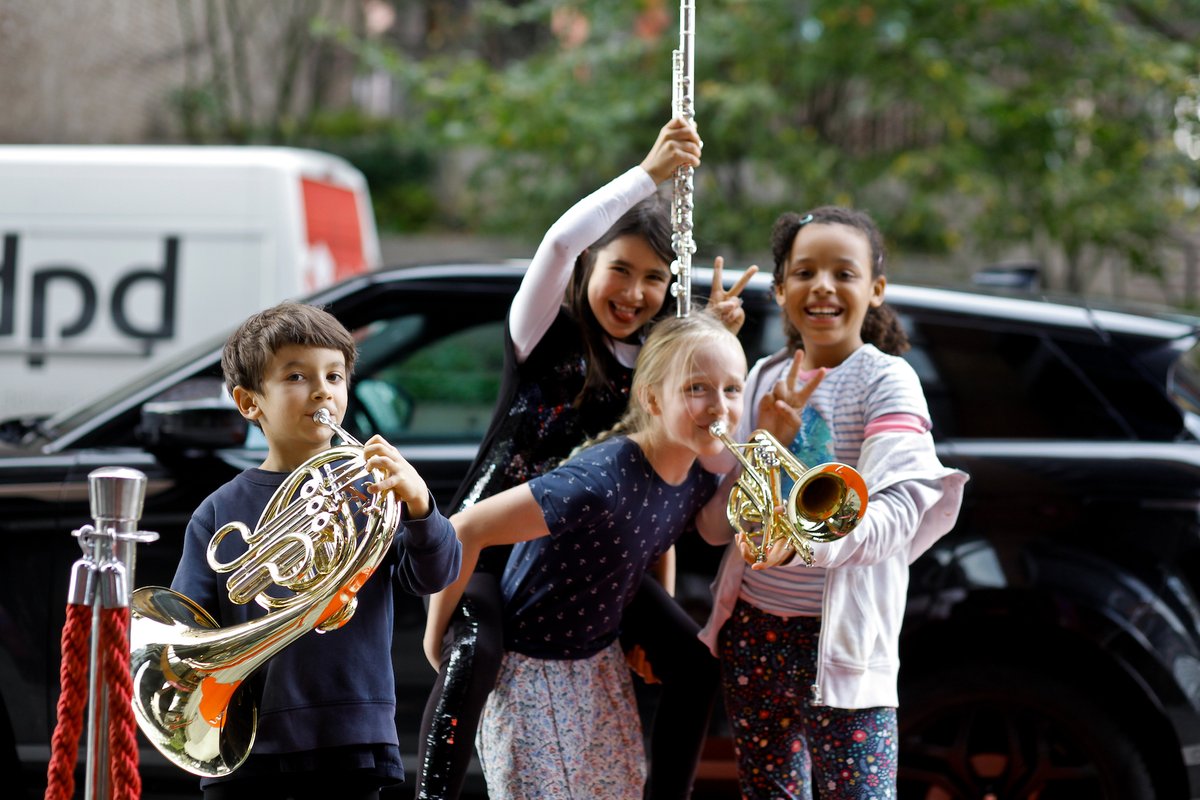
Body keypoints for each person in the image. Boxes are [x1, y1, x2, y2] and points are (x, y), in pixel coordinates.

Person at [415, 116, 755, 800]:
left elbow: (659, 505)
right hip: (495, 550)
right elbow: (559, 240)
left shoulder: (661, 378)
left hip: (590, 557)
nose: (634, 293)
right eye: (620, 270)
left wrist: (706, 337)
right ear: (589, 270)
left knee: (695, 667)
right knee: (474, 658)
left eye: (654, 280)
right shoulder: (540, 331)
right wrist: (648, 175)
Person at [695, 207, 968, 799]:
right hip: (753, 630)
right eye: (804, 272)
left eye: (844, 273)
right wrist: (710, 348)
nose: (822, 286)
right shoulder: (760, 375)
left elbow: (899, 511)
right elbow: (716, 520)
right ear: (780, 289)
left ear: (875, 290)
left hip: (840, 643)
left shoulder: (887, 381)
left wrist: (800, 543)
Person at [425, 310, 748, 800]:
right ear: (652, 398)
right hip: (531, 668)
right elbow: (466, 529)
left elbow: (654, 541)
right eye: (696, 389)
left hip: (595, 662)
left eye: (732, 389)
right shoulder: (598, 483)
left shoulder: (698, 472)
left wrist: (648, 634)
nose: (718, 405)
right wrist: (438, 642)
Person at [171, 302, 462, 800]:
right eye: (296, 377)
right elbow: (187, 631)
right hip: (247, 738)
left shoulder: (372, 494)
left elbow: (435, 575)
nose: (322, 389)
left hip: (350, 732)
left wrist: (419, 506)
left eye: (334, 375)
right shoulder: (220, 512)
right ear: (248, 402)